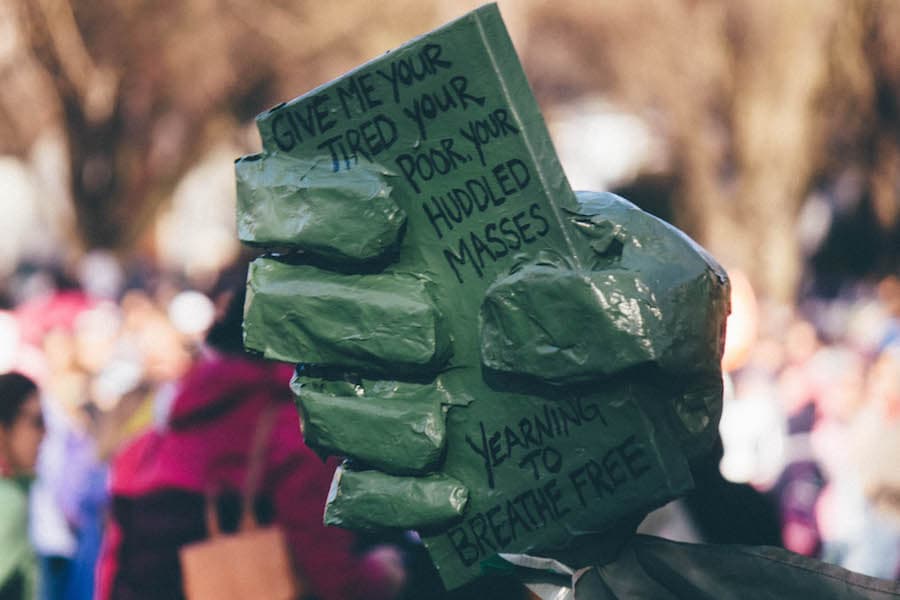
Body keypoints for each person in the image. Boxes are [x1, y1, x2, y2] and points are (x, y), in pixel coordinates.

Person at [95, 280, 404, 600]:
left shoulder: (146, 447)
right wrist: (382, 574)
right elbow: (333, 578)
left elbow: (113, 573)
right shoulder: (293, 434)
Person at [0, 372, 46, 600]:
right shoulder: (8, 502)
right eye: (37, 422)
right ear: (3, 429)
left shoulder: (16, 492)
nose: (44, 434)